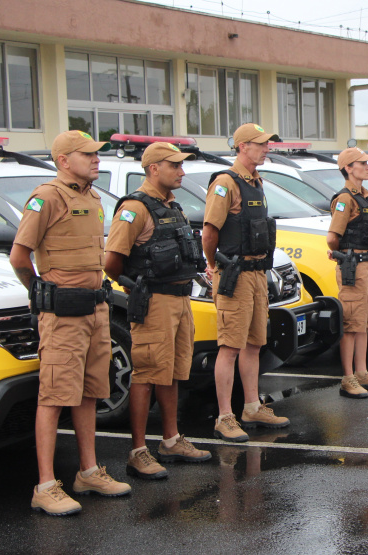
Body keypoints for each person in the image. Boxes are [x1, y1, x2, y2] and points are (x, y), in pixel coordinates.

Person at [9, 130, 131, 516]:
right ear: (63, 160)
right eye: (88, 154)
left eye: (97, 154)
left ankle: (89, 471)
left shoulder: (93, 197)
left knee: (90, 390)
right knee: (54, 393)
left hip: (95, 308)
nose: (97, 160)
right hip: (62, 312)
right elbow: (19, 256)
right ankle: (45, 486)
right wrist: (41, 293)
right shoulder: (47, 196)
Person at [104, 142, 211, 480]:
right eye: (174, 165)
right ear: (153, 169)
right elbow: (112, 262)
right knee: (147, 375)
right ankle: (138, 452)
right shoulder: (135, 208)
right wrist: (135, 287)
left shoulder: (171, 205)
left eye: (181, 165)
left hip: (180, 299)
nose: (181, 171)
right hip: (154, 302)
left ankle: (171, 439)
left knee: (173, 372)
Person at [203, 123, 289, 442]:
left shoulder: (256, 181)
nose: (267, 148)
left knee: (254, 343)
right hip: (234, 275)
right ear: (242, 147)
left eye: (268, 144)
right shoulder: (226, 183)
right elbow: (210, 231)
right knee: (230, 347)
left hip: (256, 273)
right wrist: (214, 266)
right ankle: (225, 416)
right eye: (261, 144)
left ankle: (251, 406)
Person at [327, 147, 368, 392]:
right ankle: (348, 378)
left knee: (364, 323)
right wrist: (344, 254)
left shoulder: (364, 195)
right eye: (362, 163)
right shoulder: (345, 198)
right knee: (352, 323)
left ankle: (362, 372)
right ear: (348, 168)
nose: (367, 166)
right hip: (353, 267)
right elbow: (333, 237)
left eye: (367, 162)